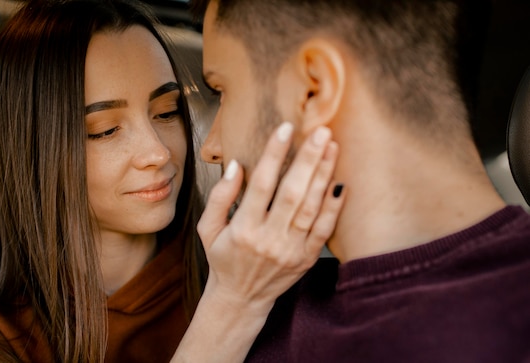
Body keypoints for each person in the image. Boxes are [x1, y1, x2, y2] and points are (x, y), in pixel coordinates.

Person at [0, 0, 345, 362]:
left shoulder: (267, 273)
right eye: (105, 129)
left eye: (167, 112)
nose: (158, 152)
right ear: (32, 149)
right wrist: (232, 307)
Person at [192, 0, 530, 362]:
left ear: (314, 88)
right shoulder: (256, 294)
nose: (210, 149)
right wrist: (229, 306)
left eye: (221, 90)